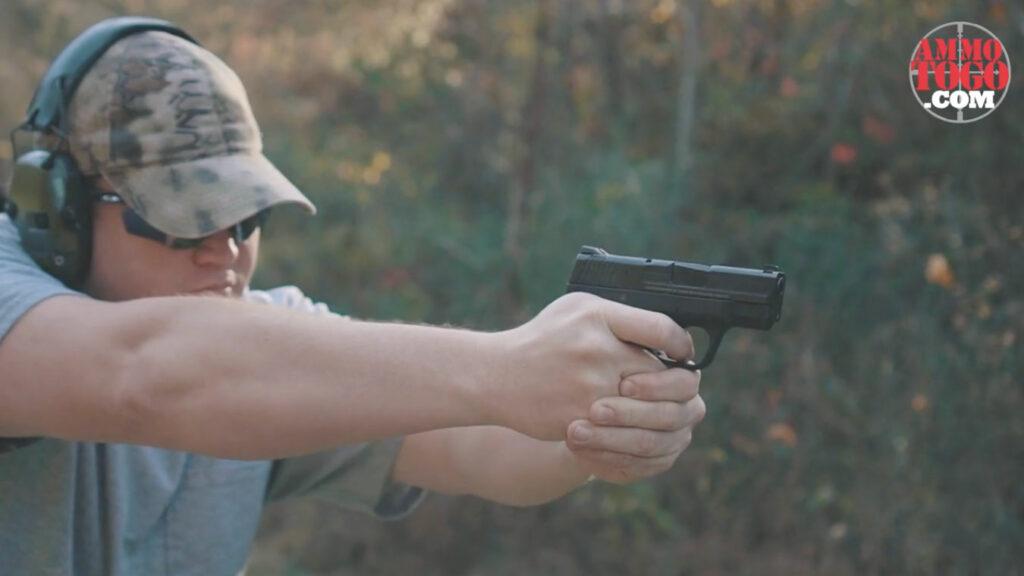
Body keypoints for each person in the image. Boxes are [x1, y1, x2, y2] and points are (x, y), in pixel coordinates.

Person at [0, 17, 706, 576]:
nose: (226, 250)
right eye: (178, 218)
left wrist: (598, 421)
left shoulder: (260, 350)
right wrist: (505, 366)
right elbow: (143, 376)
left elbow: (482, 450)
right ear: (54, 211)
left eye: (247, 217)